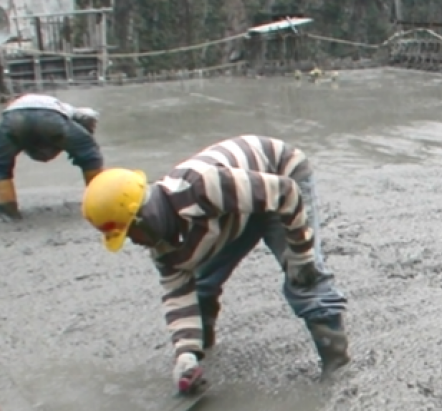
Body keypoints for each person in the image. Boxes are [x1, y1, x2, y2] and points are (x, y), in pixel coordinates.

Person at [81, 135, 351, 394]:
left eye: (129, 232)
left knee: (303, 278)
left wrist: (302, 257)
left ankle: (336, 365)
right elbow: (178, 294)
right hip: (235, 205)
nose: (132, 241)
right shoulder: (163, 247)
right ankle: (203, 353)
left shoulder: (203, 187)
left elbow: (286, 193)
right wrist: (185, 355)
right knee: (201, 284)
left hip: (280, 177)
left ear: (144, 217)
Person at [0, 93, 104, 220]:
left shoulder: (18, 105)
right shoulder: (69, 109)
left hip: (14, 119)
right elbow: (89, 116)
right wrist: (84, 141)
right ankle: (98, 202)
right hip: (50, 118)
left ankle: (8, 211)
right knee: (90, 157)